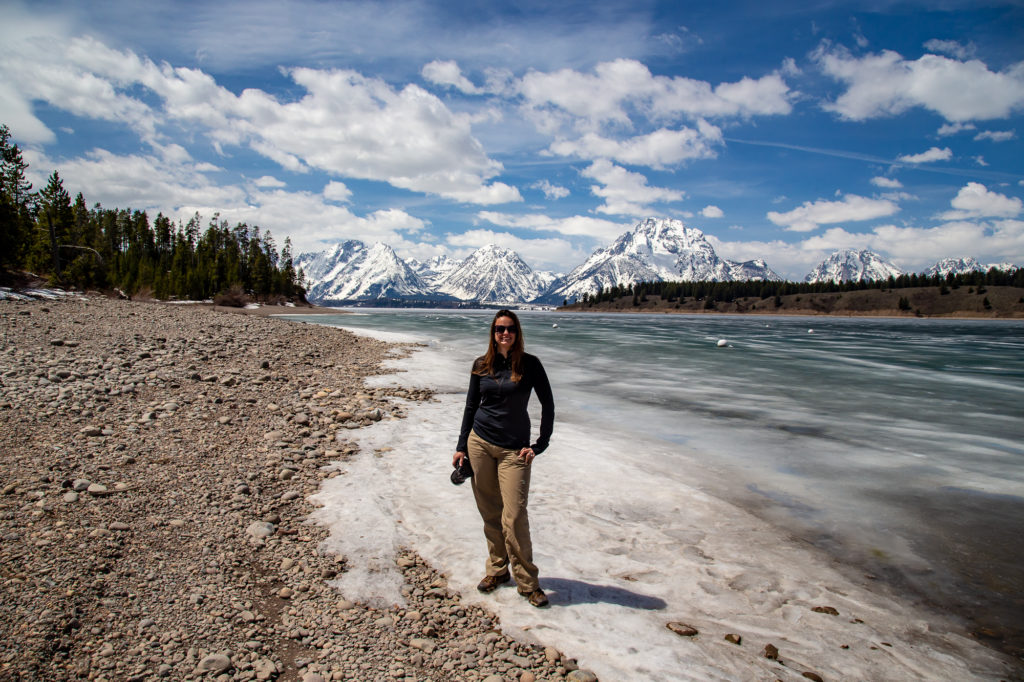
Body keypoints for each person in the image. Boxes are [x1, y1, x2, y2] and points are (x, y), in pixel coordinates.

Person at [453, 309, 554, 607]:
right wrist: (461, 446)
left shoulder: (531, 365)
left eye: (510, 328)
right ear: (493, 333)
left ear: (517, 332)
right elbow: (471, 407)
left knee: (514, 516)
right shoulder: (481, 365)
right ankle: (498, 571)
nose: (505, 333)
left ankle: (528, 582)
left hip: (515, 450)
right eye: (499, 329)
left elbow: (548, 405)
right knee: (490, 511)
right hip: (480, 444)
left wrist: (540, 444)